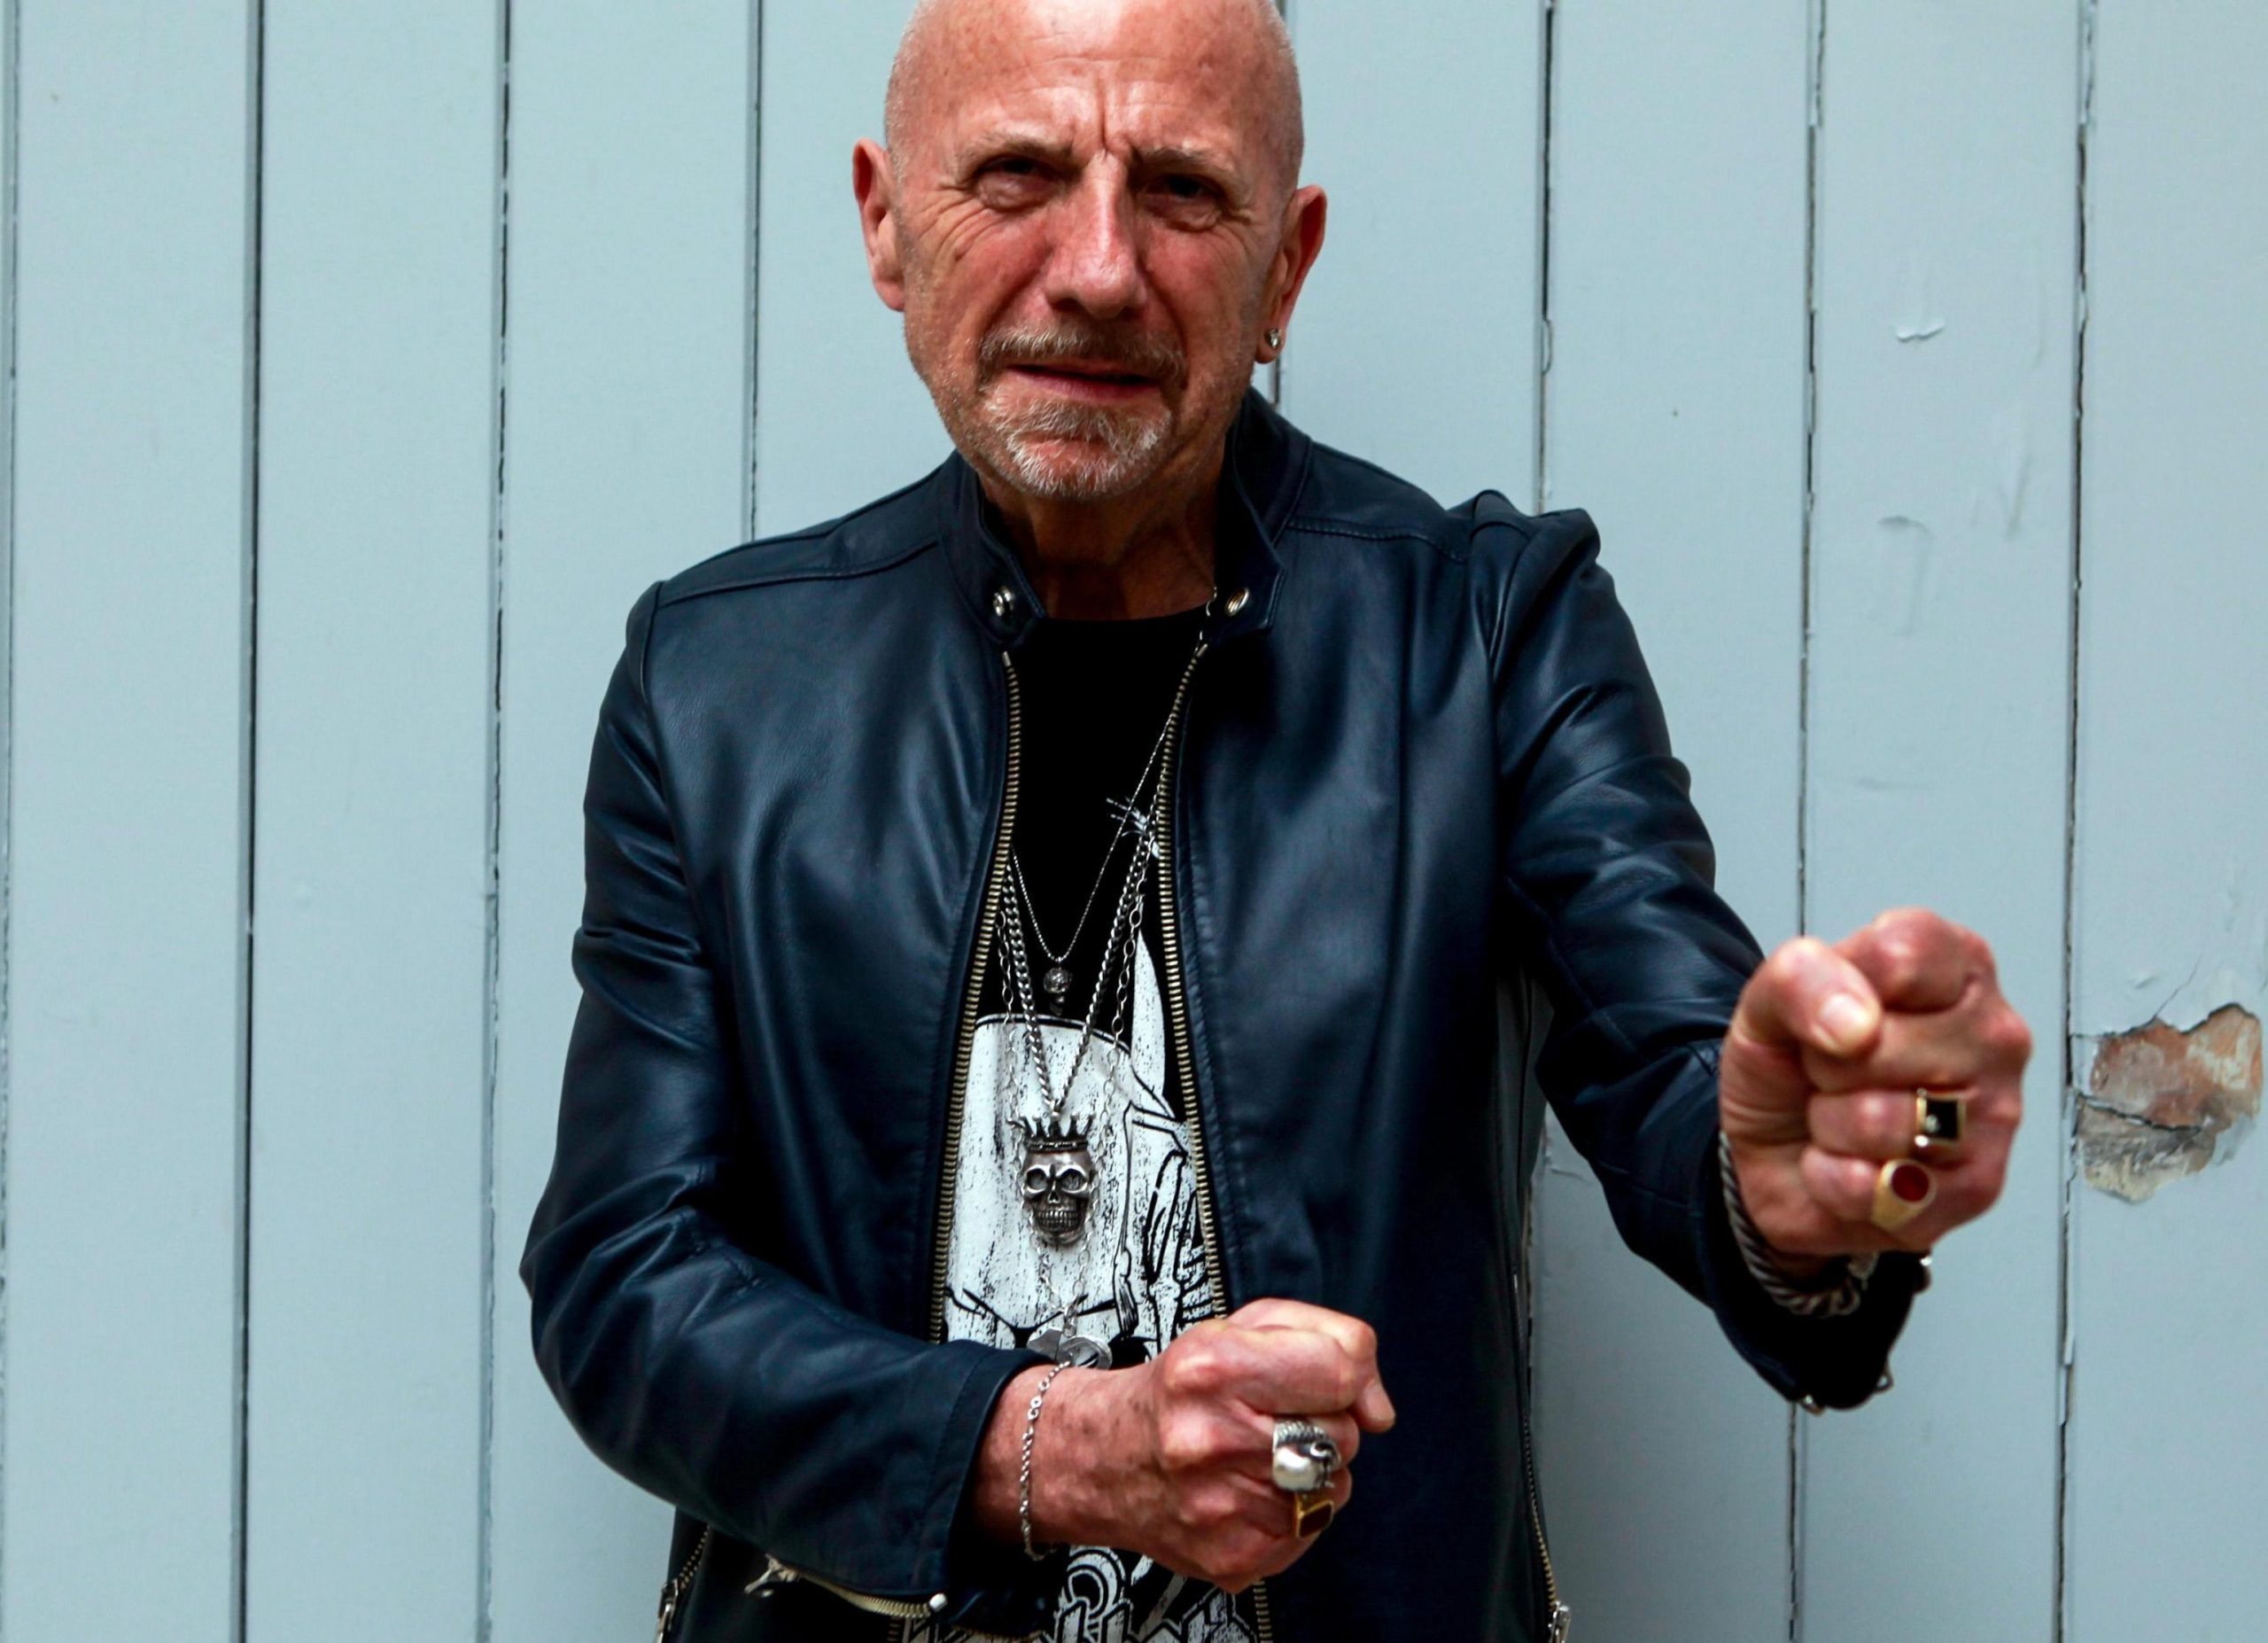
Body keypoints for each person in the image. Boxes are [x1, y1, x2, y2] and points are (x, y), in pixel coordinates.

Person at [520, 1, 2032, 1639]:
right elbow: (621, 1280)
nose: (1100, 269)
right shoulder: (718, 681)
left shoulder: (1489, 635)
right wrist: (1047, 1451)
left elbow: (1680, 1068)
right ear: (887, 225)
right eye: (1018, 176)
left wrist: (1788, 1192)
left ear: (1286, 269)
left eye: (1182, 190)